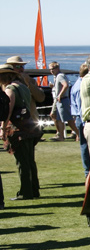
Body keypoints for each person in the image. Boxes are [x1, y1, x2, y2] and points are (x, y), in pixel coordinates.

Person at [1, 64, 43, 200]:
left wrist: (3, 128)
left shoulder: (10, 89)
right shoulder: (23, 86)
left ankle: (26, 192)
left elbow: (7, 111)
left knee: (22, 162)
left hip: (18, 129)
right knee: (30, 161)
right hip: (29, 126)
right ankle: (34, 190)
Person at [69, 62, 90, 177]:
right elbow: (81, 106)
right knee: (86, 146)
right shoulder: (80, 86)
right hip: (82, 119)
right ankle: (88, 171)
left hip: (80, 118)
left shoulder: (77, 84)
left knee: (85, 146)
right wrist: (84, 122)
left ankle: (88, 170)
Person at [48, 61, 75, 141]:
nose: (51, 71)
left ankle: (77, 133)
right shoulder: (56, 77)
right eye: (50, 69)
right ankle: (60, 135)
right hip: (58, 100)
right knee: (55, 116)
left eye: (53, 69)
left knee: (67, 119)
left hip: (62, 99)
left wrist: (60, 94)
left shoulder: (60, 76)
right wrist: (53, 87)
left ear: (57, 68)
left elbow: (65, 85)